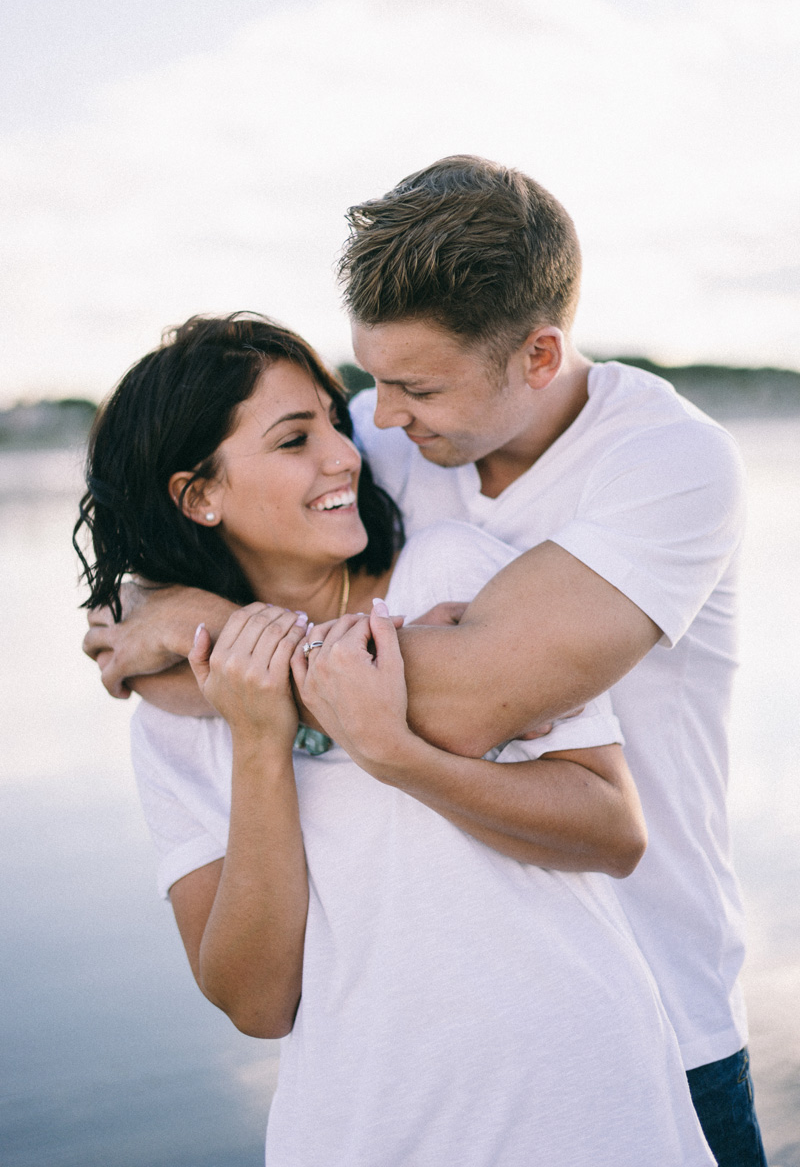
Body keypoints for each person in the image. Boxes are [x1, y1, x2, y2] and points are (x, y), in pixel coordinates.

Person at [83, 157, 766, 1166]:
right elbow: (206, 525)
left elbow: (477, 697)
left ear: (537, 358)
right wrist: (159, 599)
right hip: (397, 1075)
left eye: (413, 386)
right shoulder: (379, 441)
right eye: (363, 381)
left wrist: (214, 646)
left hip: (656, 1019)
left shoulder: (665, 465)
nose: (373, 426)